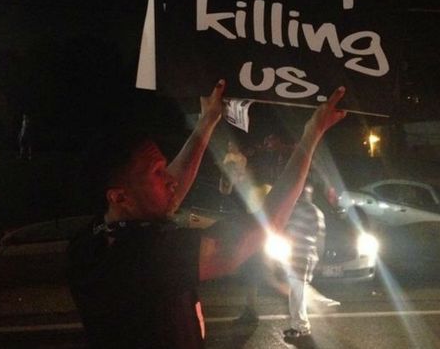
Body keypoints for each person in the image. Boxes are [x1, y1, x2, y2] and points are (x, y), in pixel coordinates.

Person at [67, 80, 347, 348]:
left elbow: (165, 196)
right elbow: (259, 230)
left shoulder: (88, 243)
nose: (171, 179)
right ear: (119, 197)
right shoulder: (147, 253)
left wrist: (208, 120)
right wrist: (312, 134)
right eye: (157, 173)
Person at [282, 182, 338, 339]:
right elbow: (320, 238)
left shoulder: (294, 209)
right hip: (309, 255)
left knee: (297, 290)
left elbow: (286, 230)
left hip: (297, 253)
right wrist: (318, 257)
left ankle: (300, 324)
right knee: (299, 287)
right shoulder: (317, 212)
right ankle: (312, 315)